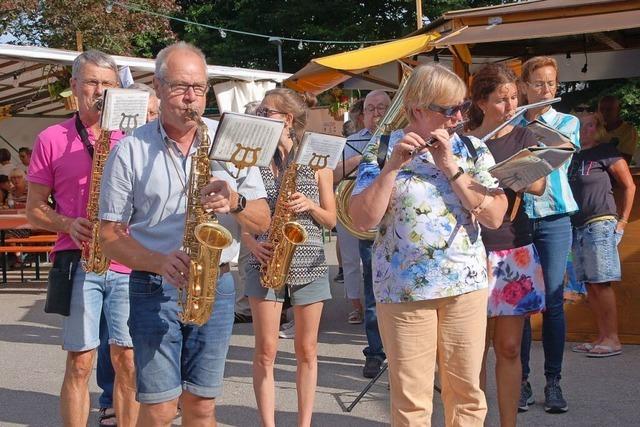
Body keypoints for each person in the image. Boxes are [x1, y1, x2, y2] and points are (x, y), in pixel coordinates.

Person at [99, 41, 270, 426]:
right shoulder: (129, 150)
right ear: (158, 88)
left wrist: (237, 202)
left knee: (202, 405)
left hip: (218, 286)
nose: (191, 98)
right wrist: (158, 261)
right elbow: (109, 235)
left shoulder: (230, 140)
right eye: (179, 87)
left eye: (199, 87)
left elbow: (264, 220)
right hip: (153, 284)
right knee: (159, 409)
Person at [350, 63, 508, 426]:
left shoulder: (471, 149)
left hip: (463, 287)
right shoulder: (382, 150)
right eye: (448, 109)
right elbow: (362, 220)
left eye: (462, 107)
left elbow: (495, 215)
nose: (457, 117)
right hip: (403, 292)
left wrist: (451, 167)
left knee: (467, 394)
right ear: (418, 109)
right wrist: (392, 167)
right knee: (411, 400)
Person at [26, 49, 138, 427]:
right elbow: (34, 209)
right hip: (78, 259)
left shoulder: (134, 137)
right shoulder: (50, 137)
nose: (100, 90)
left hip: (128, 259)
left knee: (128, 360)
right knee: (80, 361)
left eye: (107, 83)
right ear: (75, 87)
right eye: (91, 82)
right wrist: (67, 223)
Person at [241, 87, 335, 427]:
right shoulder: (252, 157)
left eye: (266, 112)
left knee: (306, 351)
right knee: (265, 351)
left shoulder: (316, 159)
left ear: (287, 119)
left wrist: (309, 205)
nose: (260, 117)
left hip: (308, 261)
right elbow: (242, 214)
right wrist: (251, 243)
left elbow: (331, 219)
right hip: (263, 259)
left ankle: (303, 423)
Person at [466, 63, 546, 427]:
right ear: (481, 102)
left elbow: (540, 187)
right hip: (471, 249)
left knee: (510, 348)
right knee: (474, 351)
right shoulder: (465, 140)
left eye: (514, 97)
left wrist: (506, 173)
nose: (511, 106)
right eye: (501, 99)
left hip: (514, 246)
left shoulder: (525, 136)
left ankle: (508, 423)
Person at [515, 56, 581, 414]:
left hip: (555, 219)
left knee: (553, 302)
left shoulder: (566, 122)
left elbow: (556, 156)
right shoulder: (513, 122)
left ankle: (553, 382)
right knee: (522, 304)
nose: (545, 90)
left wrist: (531, 124)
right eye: (538, 83)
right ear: (524, 86)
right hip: (521, 219)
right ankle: (521, 381)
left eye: (551, 84)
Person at [568, 111, 635, 357]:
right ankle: (601, 336)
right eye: (580, 126)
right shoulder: (571, 156)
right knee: (590, 284)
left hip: (600, 222)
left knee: (602, 283)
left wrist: (623, 221)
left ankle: (613, 338)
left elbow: (629, 185)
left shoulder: (605, 151)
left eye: (589, 126)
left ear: (598, 129)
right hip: (578, 225)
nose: (584, 131)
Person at [334, 90, 391, 377]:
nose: (377, 113)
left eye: (383, 107)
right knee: (373, 292)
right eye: (371, 108)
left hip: (396, 224)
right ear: (362, 114)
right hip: (367, 227)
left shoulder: (400, 138)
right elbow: (332, 175)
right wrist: (360, 160)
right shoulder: (351, 143)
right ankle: (375, 351)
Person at [234, 100, 263, 324]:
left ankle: (248, 305)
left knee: (248, 258)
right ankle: (247, 304)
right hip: (247, 206)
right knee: (246, 257)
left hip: (258, 208)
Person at [598, 95, 638, 163]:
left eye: (609, 109)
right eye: (601, 109)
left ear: (618, 110)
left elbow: (625, 161)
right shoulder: (593, 128)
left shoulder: (629, 131)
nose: (604, 112)